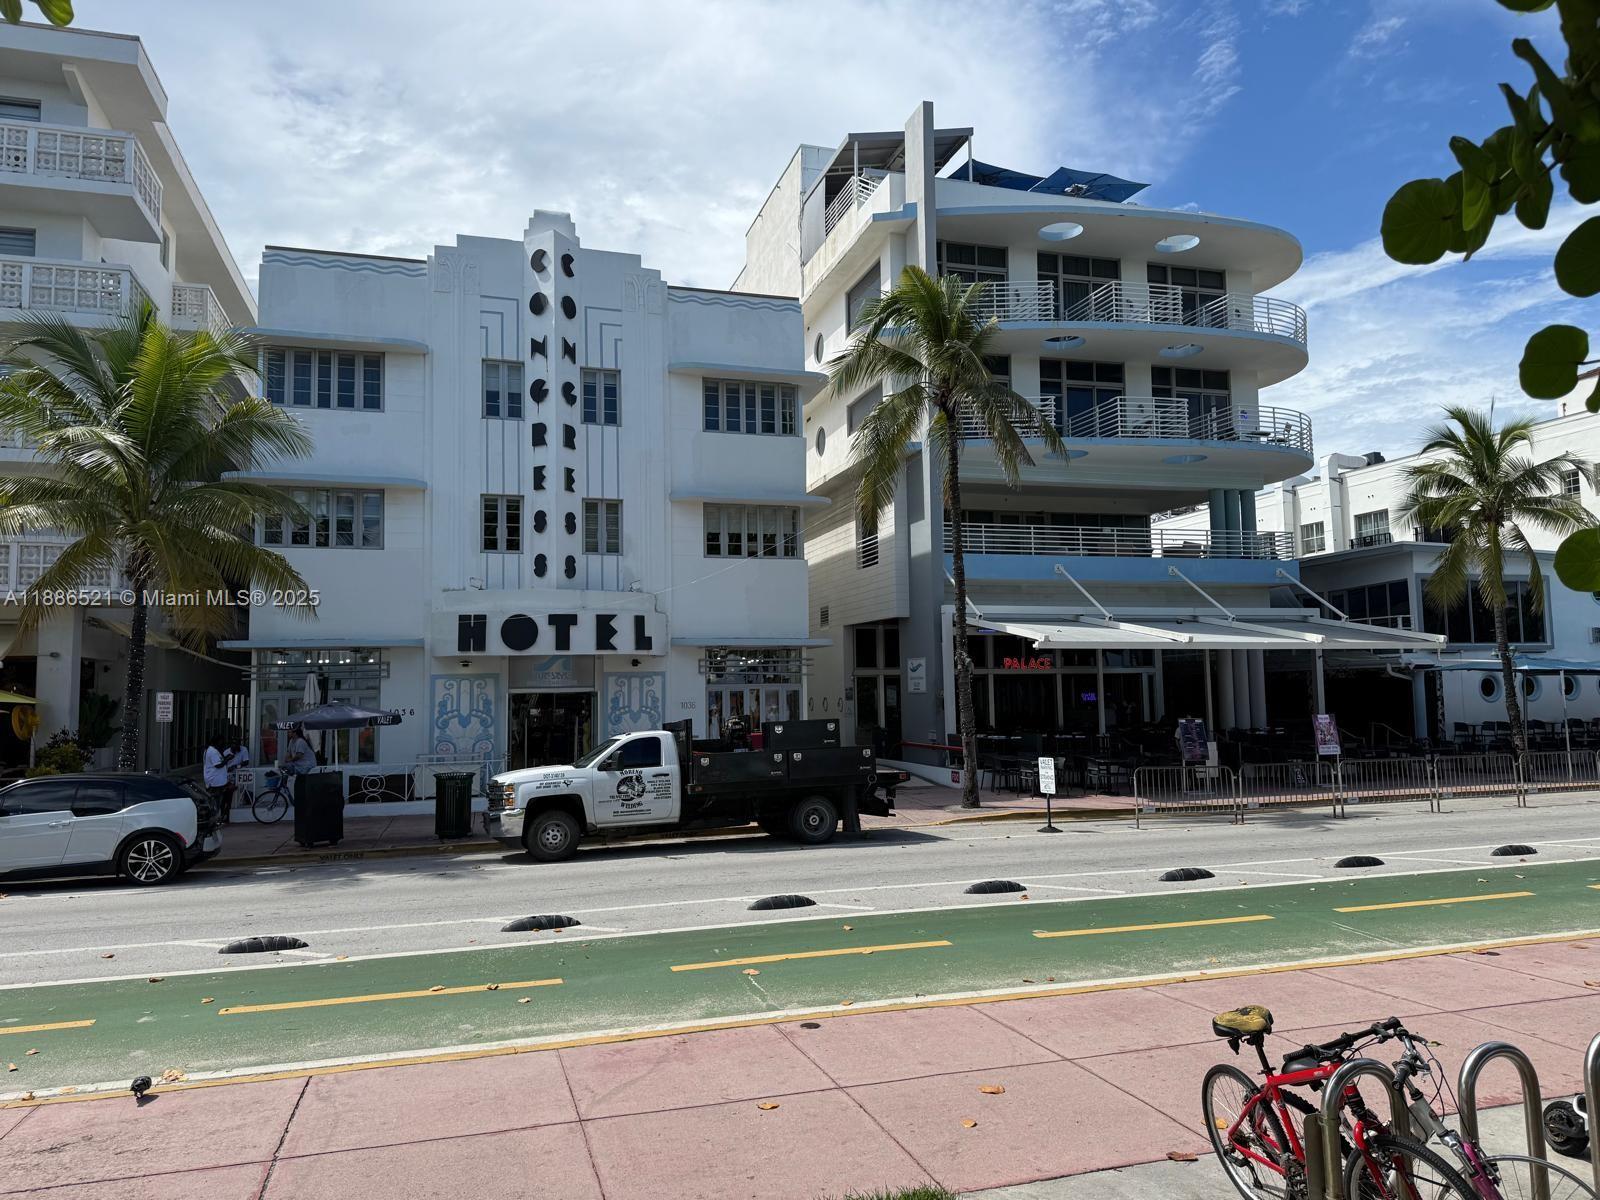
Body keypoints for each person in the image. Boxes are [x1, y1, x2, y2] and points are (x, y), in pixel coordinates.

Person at [201, 734, 230, 824]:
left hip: (216, 780)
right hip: (215, 782)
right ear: (218, 741)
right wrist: (228, 759)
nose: (223, 743)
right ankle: (214, 820)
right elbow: (218, 765)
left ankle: (215, 818)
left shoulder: (211, 750)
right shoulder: (212, 751)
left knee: (217, 800)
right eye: (222, 741)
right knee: (215, 801)